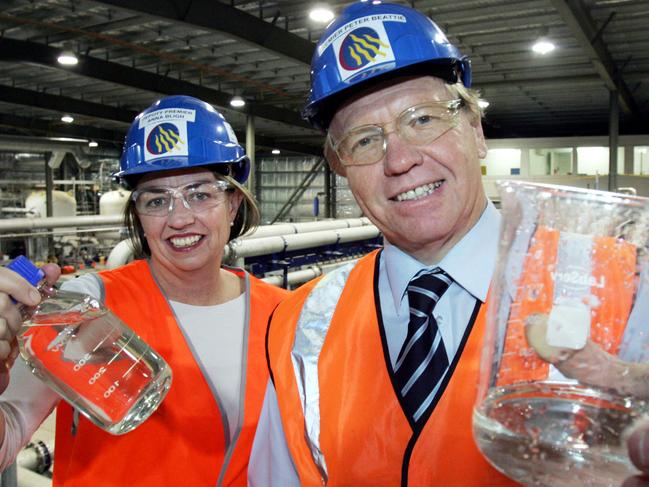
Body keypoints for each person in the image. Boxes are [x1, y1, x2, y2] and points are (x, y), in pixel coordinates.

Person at [248, 2, 647, 486]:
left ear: (476, 132)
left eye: (422, 120)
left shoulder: (625, 287)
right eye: (364, 140)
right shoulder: (301, 325)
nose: (400, 160)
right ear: (342, 168)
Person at [0, 95, 288, 486]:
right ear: (138, 214)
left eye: (200, 193)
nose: (181, 218)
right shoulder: (88, 305)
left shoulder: (285, 316)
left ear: (233, 203)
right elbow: (9, 434)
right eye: (157, 200)